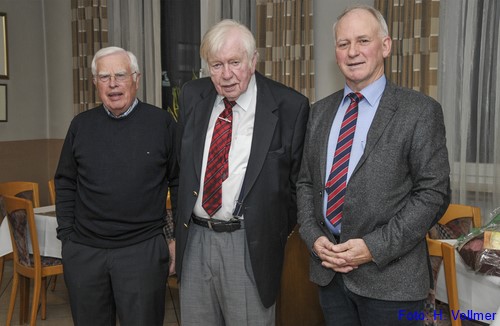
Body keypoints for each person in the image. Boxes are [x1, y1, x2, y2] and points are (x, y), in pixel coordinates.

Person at [297, 5, 451, 326]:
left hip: (391, 281)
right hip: (330, 276)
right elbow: (306, 184)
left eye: (363, 40)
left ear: (385, 45)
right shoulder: (318, 112)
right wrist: (313, 237)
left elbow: (433, 194)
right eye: (343, 44)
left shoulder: (419, 111)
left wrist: (373, 247)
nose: (352, 52)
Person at [174, 19, 310, 325]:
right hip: (194, 240)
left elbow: (298, 187)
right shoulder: (192, 96)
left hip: (249, 245)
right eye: (216, 64)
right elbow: (180, 171)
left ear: (253, 61)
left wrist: (268, 228)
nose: (226, 74)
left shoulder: (290, 106)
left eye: (235, 62)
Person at [55, 46, 178, 326]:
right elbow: (65, 182)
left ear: (136, 78)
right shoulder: (80, 125)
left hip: (142, 251)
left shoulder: (161, 124)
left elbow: (180, 181)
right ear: (95, 83)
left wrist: (174, 240)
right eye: (104, 77)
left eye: (120, 75)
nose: (113, 84)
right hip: (85, 253)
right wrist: (68, 238)